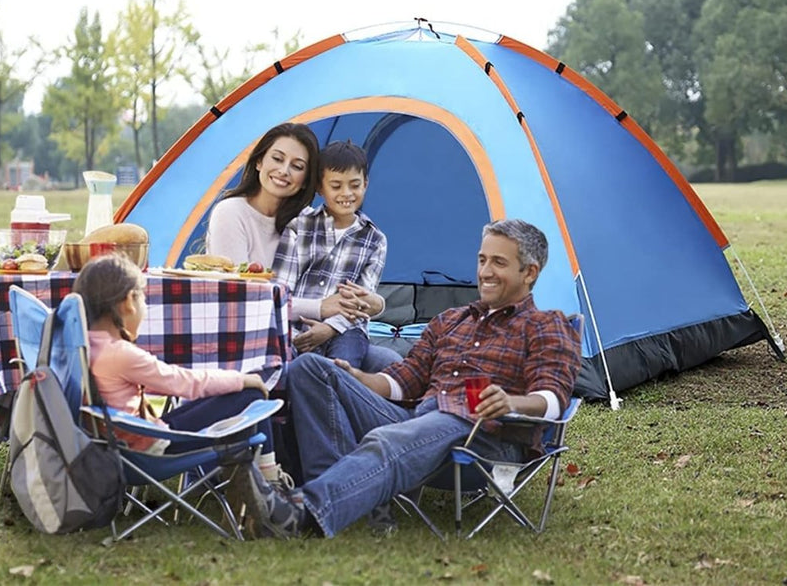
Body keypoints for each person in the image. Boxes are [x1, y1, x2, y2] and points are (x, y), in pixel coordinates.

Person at [226, 218, 582, 539]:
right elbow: (404, 380)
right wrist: (356, 378)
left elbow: (553, 397)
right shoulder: (451, 320)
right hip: (419, 420)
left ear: (530, 272)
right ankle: (350, 503)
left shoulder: (547, 325)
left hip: (482, 434)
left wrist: (510, 402)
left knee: (390, 437)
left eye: (499, 263)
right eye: (482, 260)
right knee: (310, 370)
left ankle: (299, 512)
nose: (485, 271)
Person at [205, 122, 401, 373]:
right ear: (258, 162)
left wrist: (375, 305)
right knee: (315, 370)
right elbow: (241, 298)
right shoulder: (234, 213)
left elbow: (363, 293)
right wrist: (321, 308)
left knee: (389, 363)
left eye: (297, 166)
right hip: (255, 330)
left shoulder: (303, 218)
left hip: (334, 330)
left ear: (306, 179)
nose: (284, 171)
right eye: (277, 158)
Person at [72, 253, 271, 456]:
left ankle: (249, 477)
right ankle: (270, 478)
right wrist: (243, 379)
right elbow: (184, 382)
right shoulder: (119, 355)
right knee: (250, 396)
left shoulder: (84, 345)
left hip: (120, 443)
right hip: (149, 449)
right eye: (143, 299)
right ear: (129, 302)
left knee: (226, 393)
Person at [272, 140, 387, 368]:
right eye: (336, 186)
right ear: (319, 187)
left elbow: (362, 301)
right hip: (295, 327)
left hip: (345, 329)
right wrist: (299, 333)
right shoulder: (299, 227)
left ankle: (339, 398)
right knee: (294, 367)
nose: (347, 193)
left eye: (354, 185)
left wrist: (330, 328)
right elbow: (279, 293)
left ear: (365, 183)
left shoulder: (375, 240)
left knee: (341, 370)